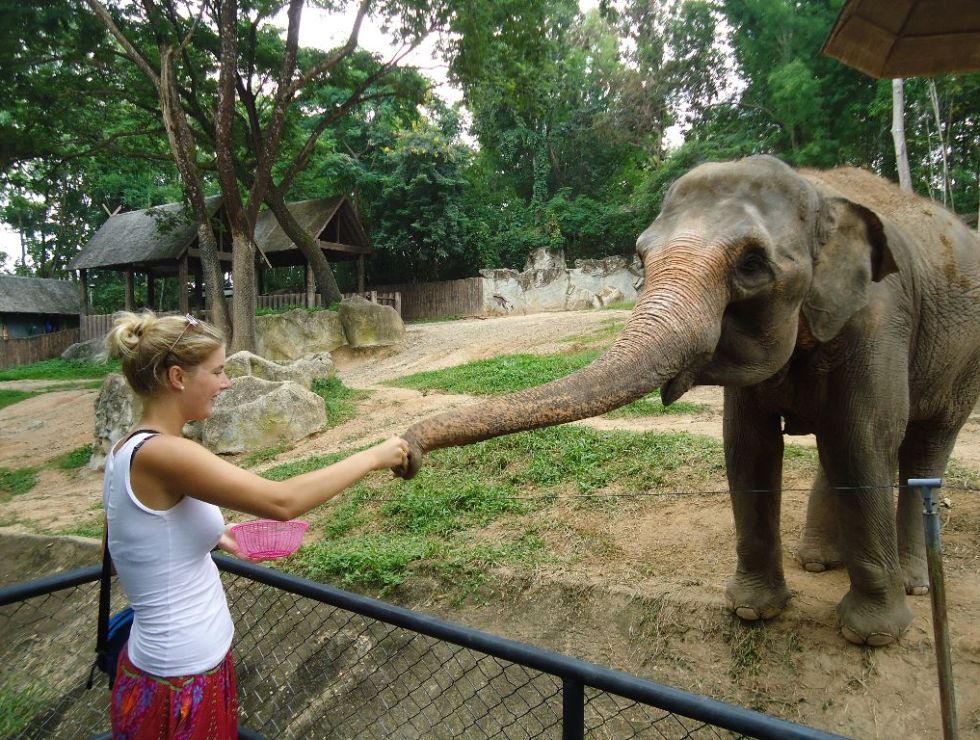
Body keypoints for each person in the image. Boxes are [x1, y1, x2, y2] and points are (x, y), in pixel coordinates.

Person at [102, 310, 408, 739]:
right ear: (177, 377)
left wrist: (217, 537)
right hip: (181, 678)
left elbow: (133, 543)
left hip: (172, 665)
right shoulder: (165, 453)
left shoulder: (127, 449)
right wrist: (375, 456)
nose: (225, 383)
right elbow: (280, 501)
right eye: (218, 371)